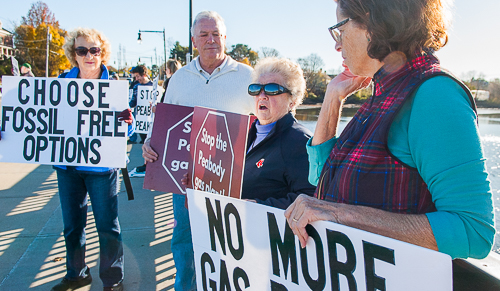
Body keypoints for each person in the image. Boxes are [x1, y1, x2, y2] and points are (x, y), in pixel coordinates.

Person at [285, 0, 495, 260]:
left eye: (340, 28)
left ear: (373, 21)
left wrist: (340, 214)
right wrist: (332, 97)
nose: (337, 44)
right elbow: (321, 180)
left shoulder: (434, 95)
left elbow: (473, 232)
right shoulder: (382, 95)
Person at [142, 11, 254, 290]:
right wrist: (149, 143)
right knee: (184, 239)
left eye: (216, 34)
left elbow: (264, 123)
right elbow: (164, 120)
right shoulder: (180, 78)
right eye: (204, 34)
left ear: (225, 38)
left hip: (232, 181)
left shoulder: (247, 76)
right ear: (194, 41)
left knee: (231, 244)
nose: (211, 39)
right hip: (186, 181)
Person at [51, 27, 133, 291]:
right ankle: (76, 273)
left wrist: (128, 124)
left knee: (107, 226)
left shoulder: (116, 87)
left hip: (102, 168)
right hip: (68, 167)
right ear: (73, 54)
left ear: (102, 53)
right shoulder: (61, 84)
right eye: (82, 50)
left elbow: (127, 132)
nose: (88, 55)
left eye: (94, 50)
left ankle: (112, 280)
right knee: (72, 226)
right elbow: (44, 120)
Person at [242, 58, 315, 209]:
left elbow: (311, 198)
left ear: (292, 100)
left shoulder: (299, 141)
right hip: (233, 226)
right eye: (256, 89)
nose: (262, 96)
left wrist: (259, 206)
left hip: (268, 229)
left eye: (272, 89)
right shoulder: (244, 134)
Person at [129, 65, 153, 145]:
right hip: (141, 122)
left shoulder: (153, 86)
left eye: (138, 76)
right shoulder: (136, 87)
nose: (136, 79)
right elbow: (133, 102)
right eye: (135, 77)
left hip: (151, 120)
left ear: (144, 75)